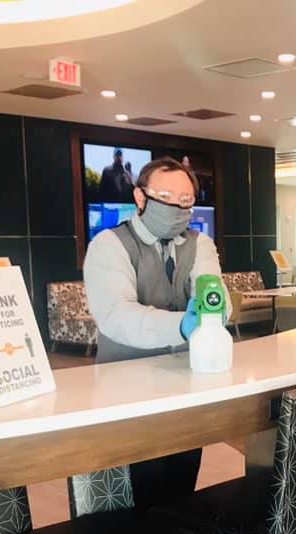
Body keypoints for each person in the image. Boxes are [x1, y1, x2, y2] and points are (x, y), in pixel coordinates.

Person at [84, 156, 231, 507]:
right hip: (126, 393)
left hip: (186, 388)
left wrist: (214, 311)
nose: (175, 207)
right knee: (138, 494)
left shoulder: (200, 244)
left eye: (185, 200)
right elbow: (116, 315)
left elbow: (216, 299)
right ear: (140, 197)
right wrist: (181, 324)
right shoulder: (109, 244)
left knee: (182, 488)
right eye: (165, 197)